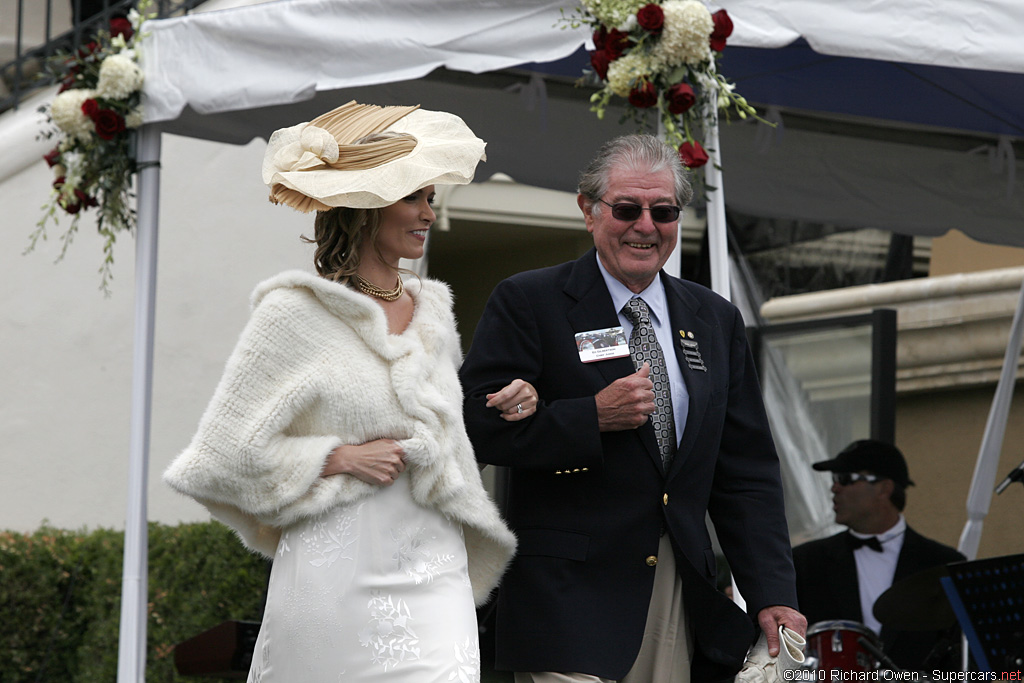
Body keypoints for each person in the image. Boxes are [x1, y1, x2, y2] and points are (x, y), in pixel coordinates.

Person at [163, 101, 533, 682]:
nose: (428, 214)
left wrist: (504, 407)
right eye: (414, 198)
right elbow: (223, 454)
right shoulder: (293, 314)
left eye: (431, 198)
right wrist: (336, 457)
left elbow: (448, 435)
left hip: (434, 563)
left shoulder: (434, 310)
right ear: (366, 208)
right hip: (335, 569)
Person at [458, 134, 805, 683]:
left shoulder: (713, 319)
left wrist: (772, 593)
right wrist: (589, 416)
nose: (646, 226)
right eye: (627, 208)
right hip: (565, 597)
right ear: (589, 211)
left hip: (675, 587)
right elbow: (473, 431)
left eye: (663, 211)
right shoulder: (530, 301)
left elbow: (745, 475)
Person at [792, 439, 966, 671]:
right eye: (835, 480)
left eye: (845, 479)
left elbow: (960, 658)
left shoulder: (944, 563)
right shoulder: (805, 561)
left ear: (884, 488)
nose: (834, 488)